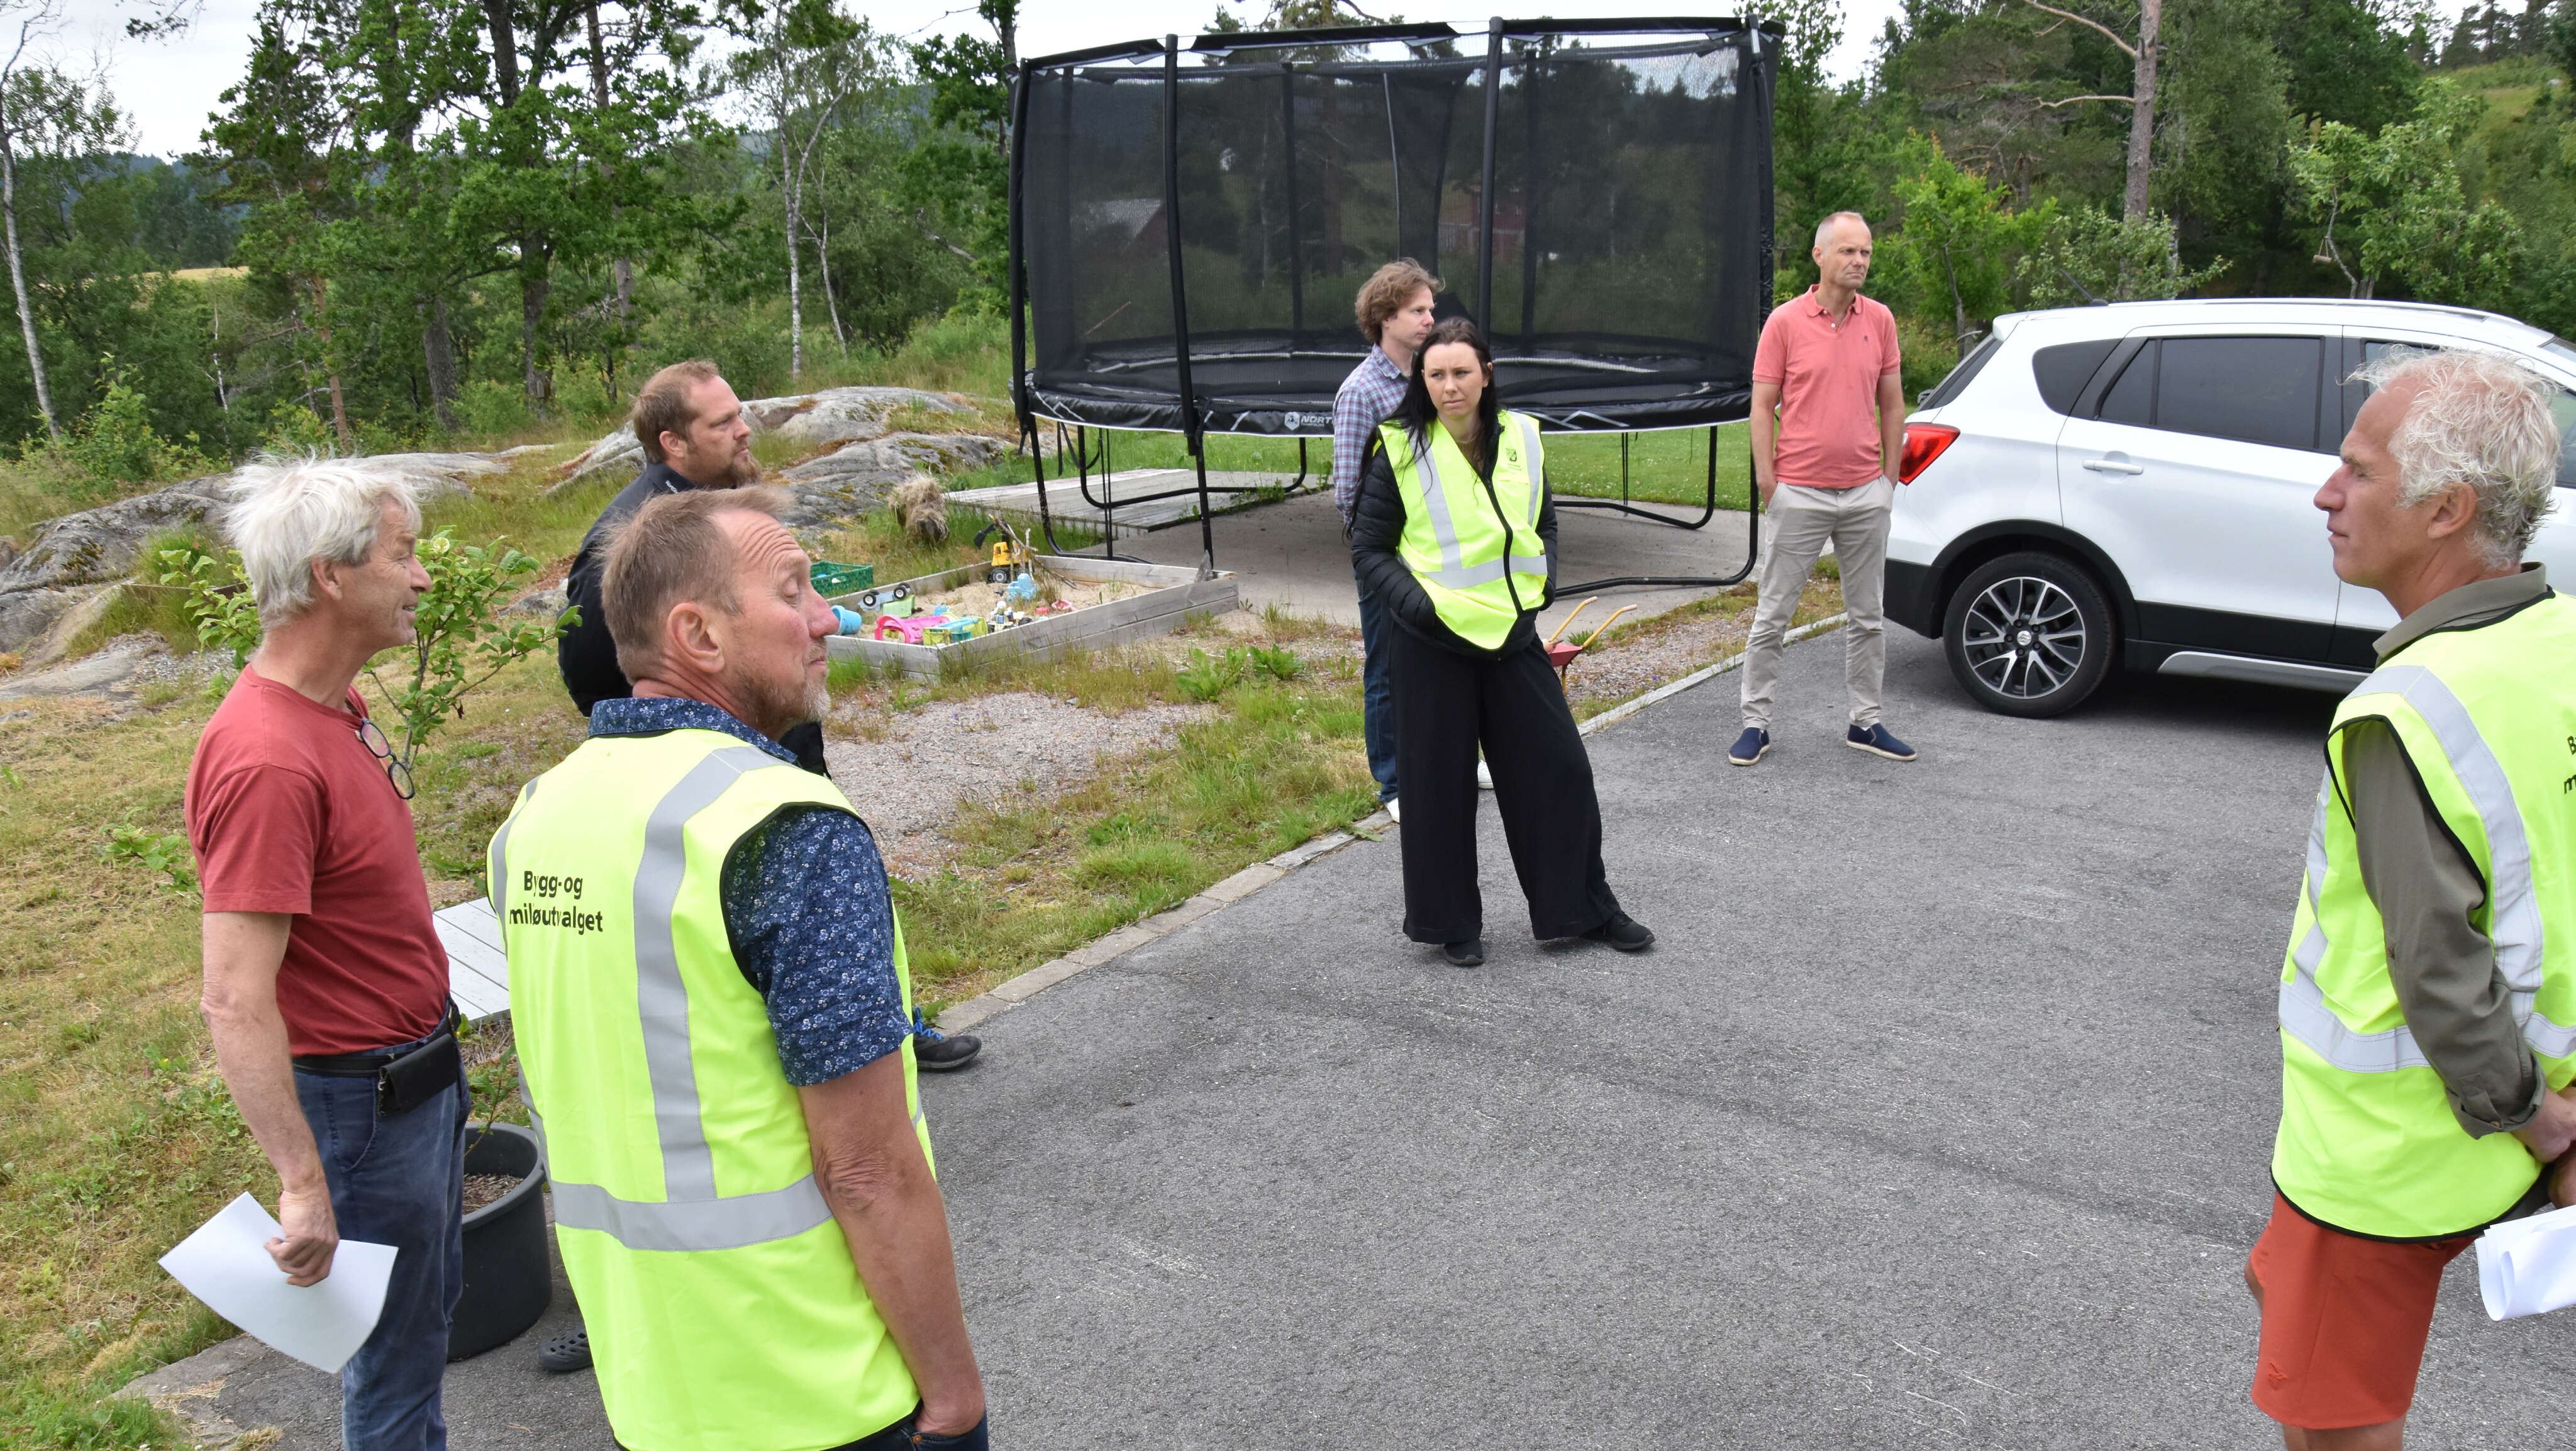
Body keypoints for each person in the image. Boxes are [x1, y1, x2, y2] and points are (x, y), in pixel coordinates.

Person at [491, 485, 988, 1451]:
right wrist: (955, 1392)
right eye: (793, 589)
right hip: (822, 1390)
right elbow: (867, 1169)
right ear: (699, 635)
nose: (827, 616)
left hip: (656, 1391)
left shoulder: (538, 816)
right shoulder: (784, 826)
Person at [2248, 348, 2576, 1450]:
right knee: (2281, 1291)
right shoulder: (2560, 639)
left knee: (2336, 1423)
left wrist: (2534, 1116)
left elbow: (2437, 962)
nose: (2325, 494)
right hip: (2513, 1118)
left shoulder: (2406, 712)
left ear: (2447, 509)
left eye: (2358, 471)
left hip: (2393, 1153)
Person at [186, 459, 465, 1451]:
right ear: (330, 575)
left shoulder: (333, 704)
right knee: (392, 1369)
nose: (422, 576)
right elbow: (233, 996)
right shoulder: (266, 757)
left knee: (424, 1329)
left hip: (417, 1080)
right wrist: (303, 1183)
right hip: (362, 1112)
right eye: (403, 555)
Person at [1349, 317, 1654, 967]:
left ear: (1486, 375)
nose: (1449, 386)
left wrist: (1543, 586)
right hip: (1431, 640)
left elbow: (1543, 519)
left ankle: (1584, 909)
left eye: (1462, 372)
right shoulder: (1399, 448)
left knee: (1560, 770)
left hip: (1511, 633)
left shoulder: (1522, 438)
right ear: (1421, 380)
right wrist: (1419, 607)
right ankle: (1450, 923)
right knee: (1438, 787)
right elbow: (1369, 549)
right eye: (1436, 374)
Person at [1731, 211, 1916, 768]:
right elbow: (1762, 406)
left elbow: (1893, 404)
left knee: (1868, 617)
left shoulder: (1879, 320)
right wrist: (1770, 483)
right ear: (1819, 255)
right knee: (1773, 615)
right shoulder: (1785, 323)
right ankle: (1755, 724)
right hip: (1799, 493)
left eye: (1865, 252)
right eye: (1848, 251)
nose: (1859, 261)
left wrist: (1887, 481)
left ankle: (1866, 721)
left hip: (1864, 495)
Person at [1333, 260, 1441, 823]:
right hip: (1387, 555)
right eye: (1418, 310)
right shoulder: (1361, 393)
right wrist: (1378, 551)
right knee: (1387, 667)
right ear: (1385, 317)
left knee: (1447, 658)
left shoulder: (1432, 376)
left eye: (1430, 309)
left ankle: (1450, 759)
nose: (1429, 319)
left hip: (1438, 545)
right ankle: (1394, 783)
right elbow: (1347, 489)